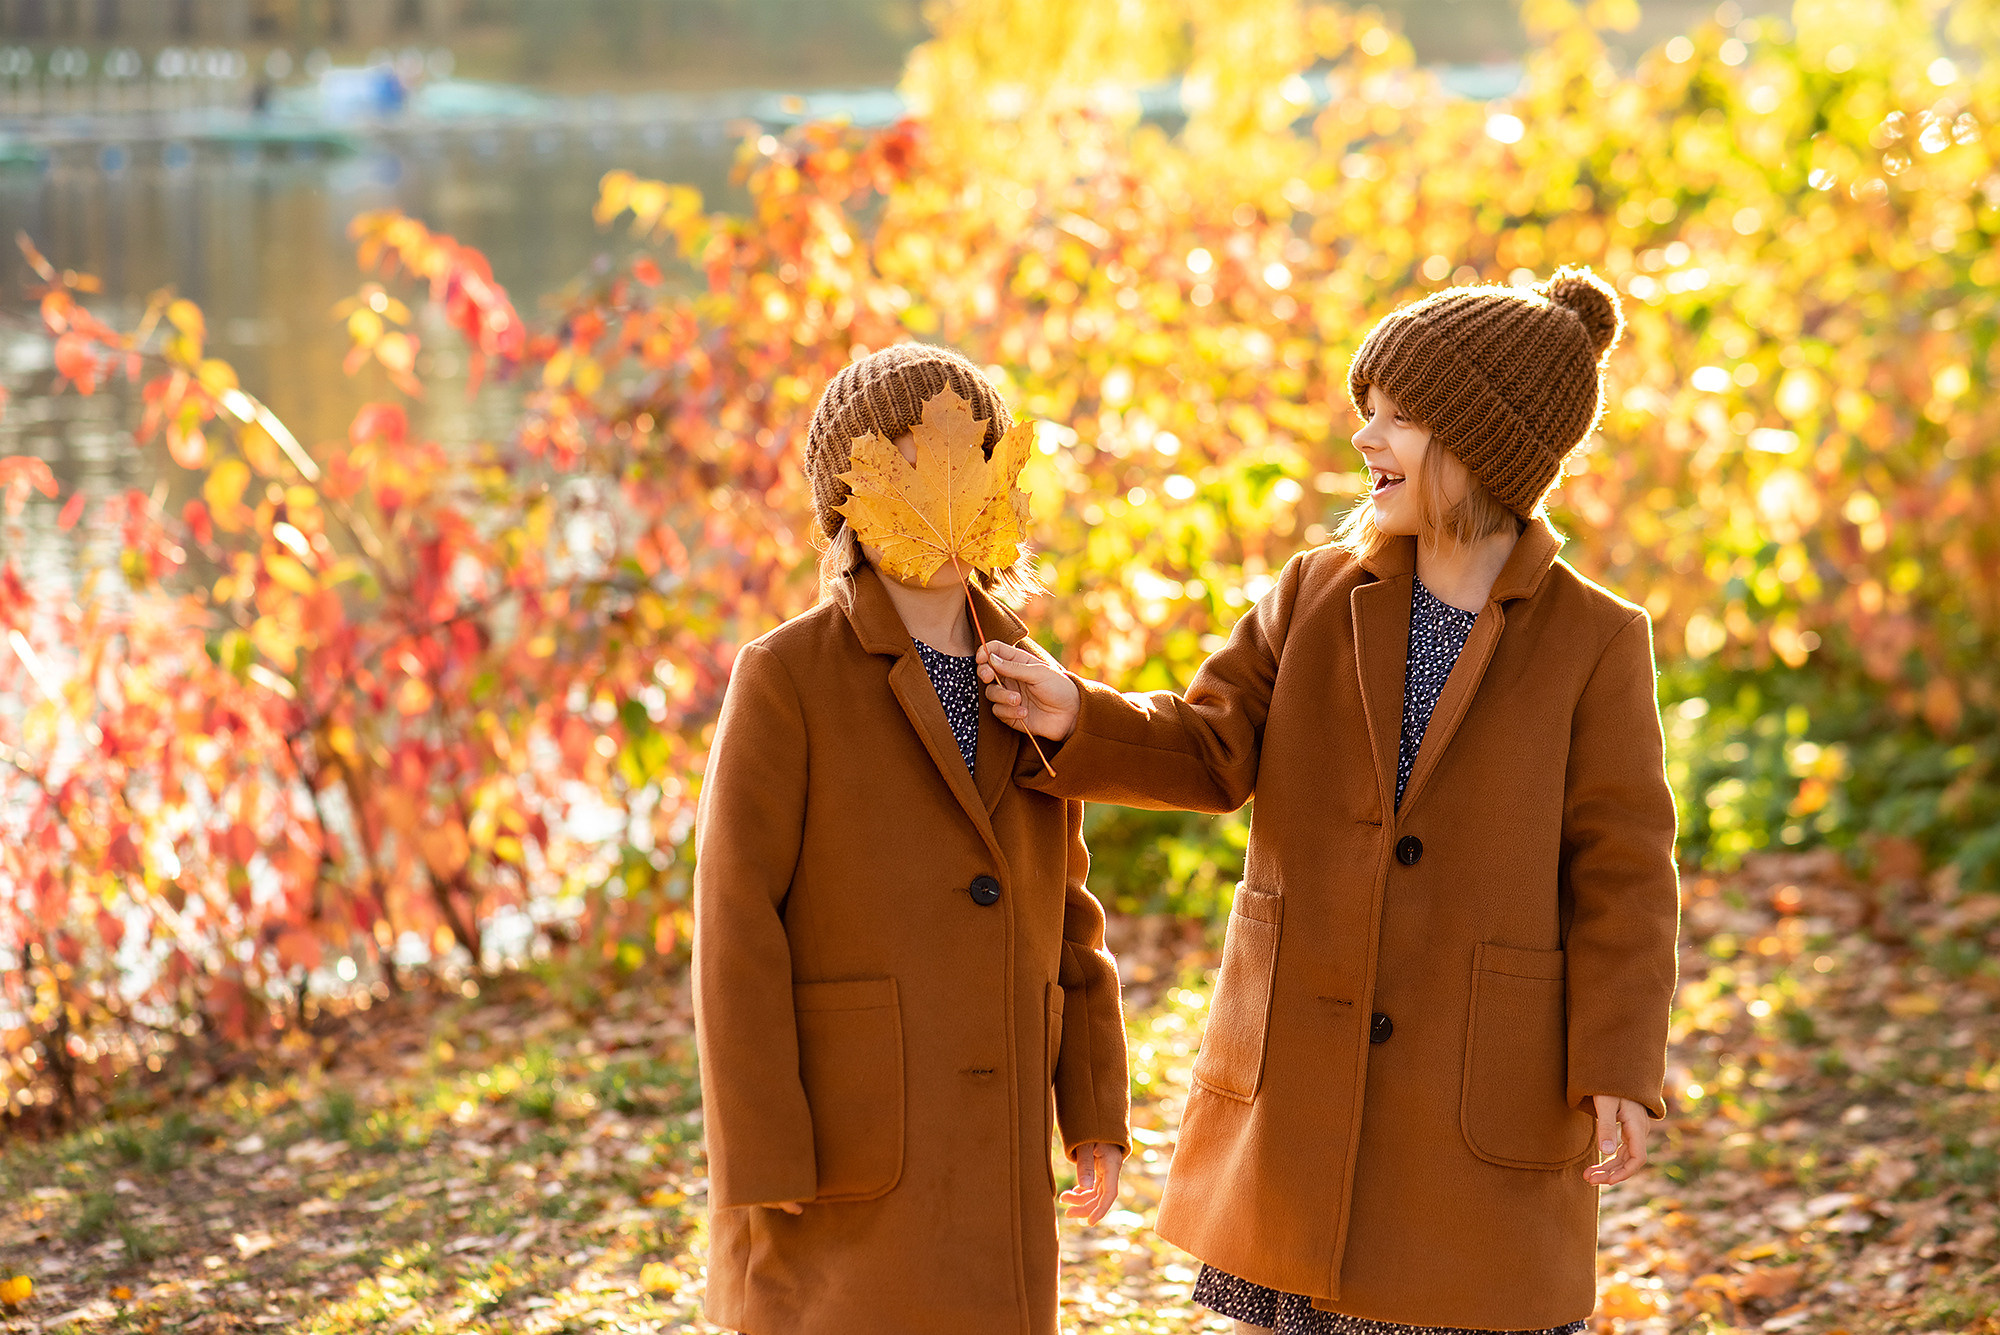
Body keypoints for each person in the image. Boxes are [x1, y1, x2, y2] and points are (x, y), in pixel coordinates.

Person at [976, 270, 1680, 1335]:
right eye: (1367, 412)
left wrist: (1616, 1067)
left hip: (1474, 1083)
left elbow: (1623, 871)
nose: (1365, 439)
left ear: (1485, 443)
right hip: (1301, 1063)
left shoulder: (1593, 637)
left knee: (1459, 1296)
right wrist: (1078, 712)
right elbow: (1210, 745)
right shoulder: (1315, 589)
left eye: (1398, 418)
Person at [693, 342, 1132, 1335]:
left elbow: (1068, 908)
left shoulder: (1026, 676)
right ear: (847, 500)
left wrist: (1094, 1105)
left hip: (999, 1126)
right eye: (902, 467)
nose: (941, 493)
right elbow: (735, 922)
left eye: (968, 463)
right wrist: (761, 1147)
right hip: (851, 1128)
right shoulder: (787, 676)